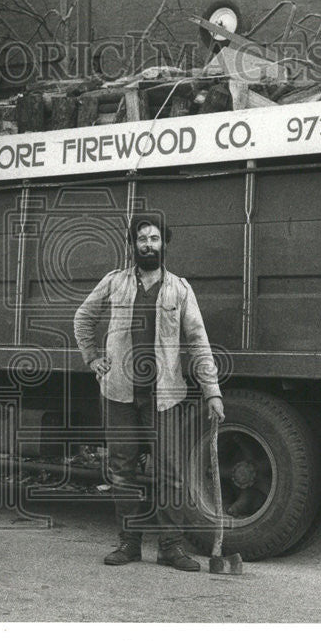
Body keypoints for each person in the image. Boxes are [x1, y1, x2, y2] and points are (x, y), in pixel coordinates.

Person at [73, 215, 225, 571]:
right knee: (122, 471)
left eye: (155, 238)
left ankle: (171, 547)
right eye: (142, 239)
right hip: (119, 394)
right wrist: (93, 358)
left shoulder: (179, 289)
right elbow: (83, 317)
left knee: (170, 473)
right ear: (133, 244)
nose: (149, 245)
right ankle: (128, 544)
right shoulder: (114, 283)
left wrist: (212, 392)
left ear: (164, 244)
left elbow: (198, 341)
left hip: (165, 396)